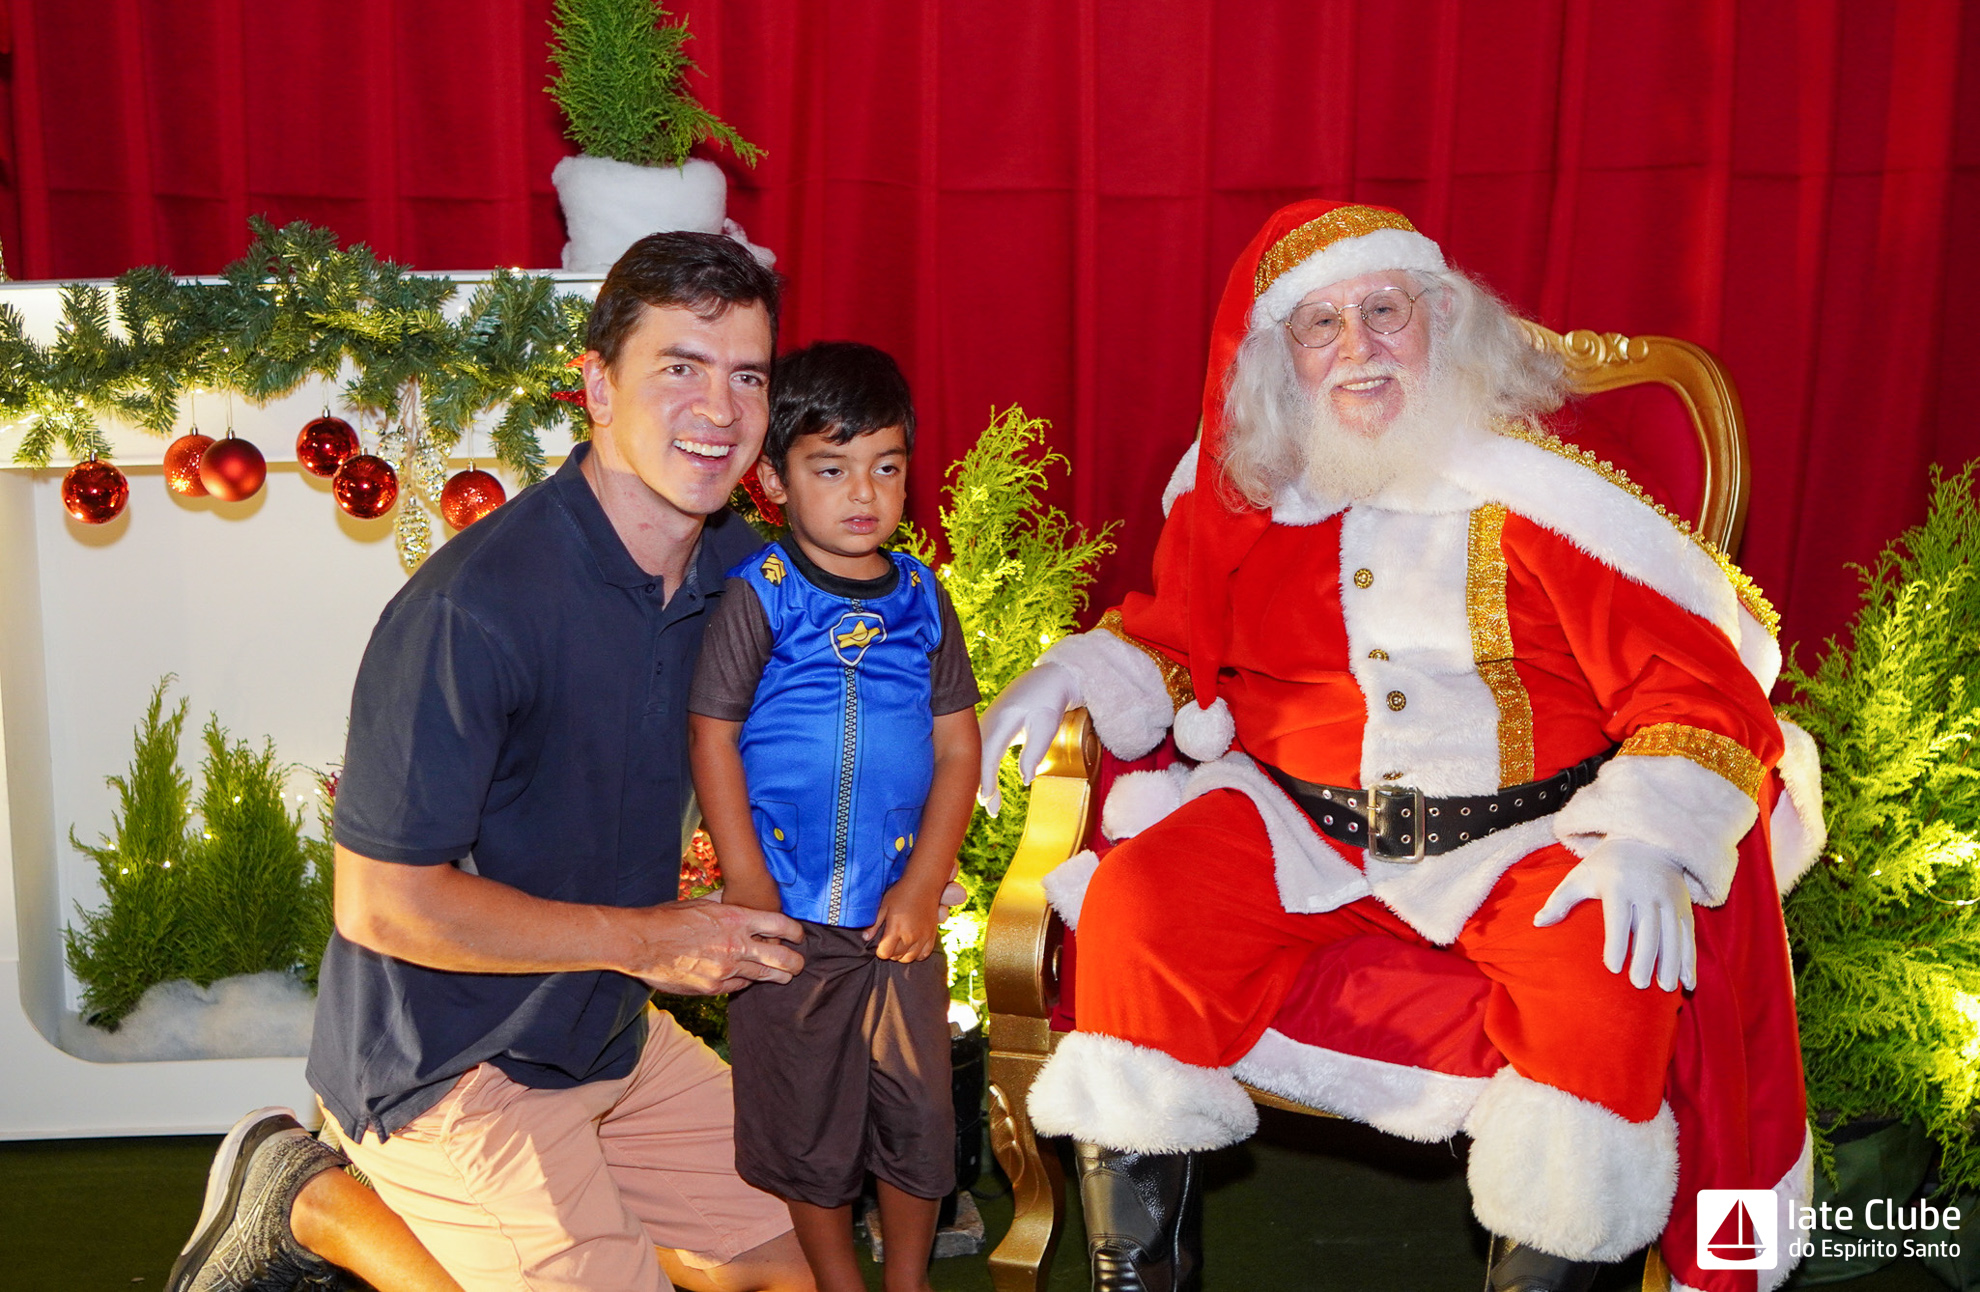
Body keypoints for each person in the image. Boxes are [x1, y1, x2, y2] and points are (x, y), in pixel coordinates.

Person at [979, 200, 1816, 1292]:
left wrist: (1653, 836)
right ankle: (1137, 1278)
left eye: (1384, 311)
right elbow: (1176, 637)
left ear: (1443, 321)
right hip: (1300, 827)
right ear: (1281, 356)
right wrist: (1078, 669)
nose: (1358, 347)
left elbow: (1698, 688)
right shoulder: (1252, 497)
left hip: (1525, 837)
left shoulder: (1543, 497)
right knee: (1139, 912)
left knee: (1605, 979)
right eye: (1321, 324)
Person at [168, 230, 817, 1292]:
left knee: (807, 1259)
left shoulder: (746, 574)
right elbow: (381, 904)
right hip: (447, 1062)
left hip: (605, 1028)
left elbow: (820, 737)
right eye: (680, 368)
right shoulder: (473, 609)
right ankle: (311, 1197)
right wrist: (650, 940)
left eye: (747, 375)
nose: (720, 408)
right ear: (596, 388)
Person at [688, 342, 983, 1292]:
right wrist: (746, 880)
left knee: (918, 1112)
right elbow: (711, 735)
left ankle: (908, 1279)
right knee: (803, 1119)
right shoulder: (762, 595)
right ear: (774, 481)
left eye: (886, 468)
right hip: (787, 920)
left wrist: (924, 885)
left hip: (897, 920)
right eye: (831, 468)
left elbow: (958, 750)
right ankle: (837, 1282)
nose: (864, 492)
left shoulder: (924, 601)